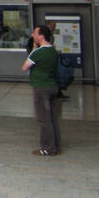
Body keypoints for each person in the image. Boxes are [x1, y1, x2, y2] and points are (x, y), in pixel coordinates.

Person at [22, 25, 61, 157]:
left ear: (41, 36)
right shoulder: (53, 51)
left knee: (44, 119)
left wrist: (34, 48)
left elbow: (24, 67)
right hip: (52, 86)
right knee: (53, 118)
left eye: (35, 33)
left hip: (41, 88)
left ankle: (47, 149)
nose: (33, 35)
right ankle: (56, 146)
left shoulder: (38, 52)